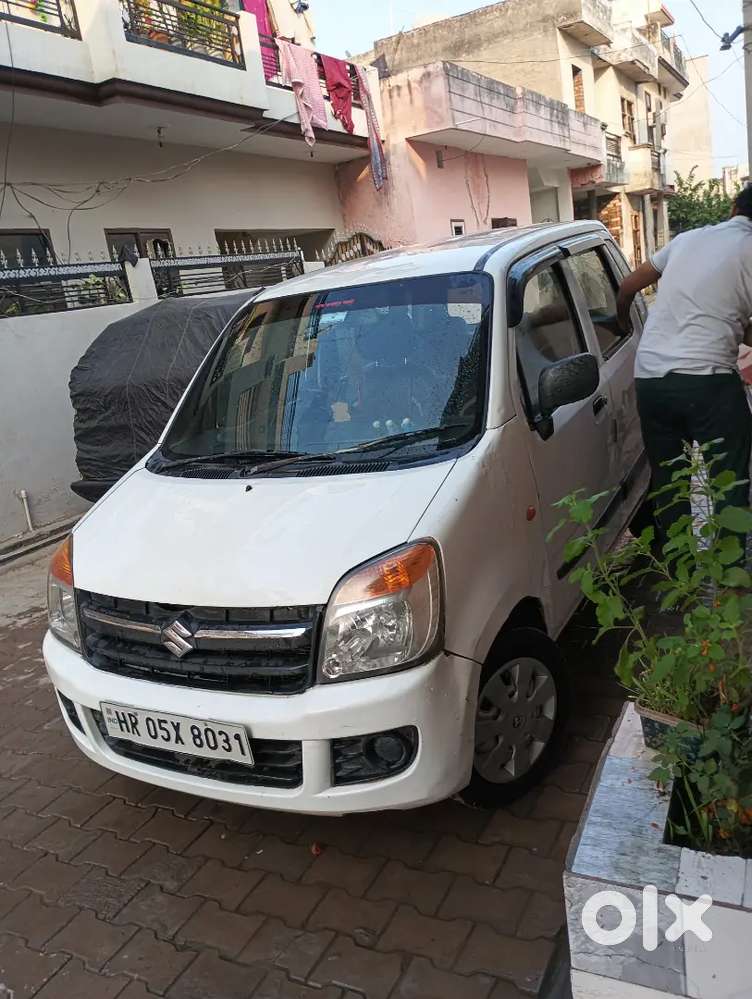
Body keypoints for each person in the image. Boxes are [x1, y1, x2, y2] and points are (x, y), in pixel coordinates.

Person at [616, 186, 752, 538]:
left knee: (670, 484)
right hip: (709, 382)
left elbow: (629, 285)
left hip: (651, 378)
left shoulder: (688, 239)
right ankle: (732, 585)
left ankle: (681, 577)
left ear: (733, 207)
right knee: (729, 486)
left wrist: (621, 323)